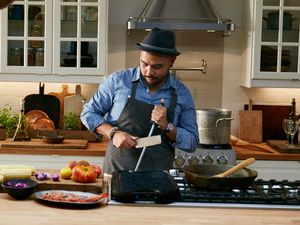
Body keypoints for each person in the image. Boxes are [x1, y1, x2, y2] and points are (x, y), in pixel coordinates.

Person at [80, 27, 199, 174]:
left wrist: (168, 127)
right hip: (117, 175)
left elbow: (192, 142)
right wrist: (113, 133)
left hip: (158, 183)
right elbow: (88, 113)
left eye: (157, 67)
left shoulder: (182, 93)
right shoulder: (118, 81)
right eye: (144, 64)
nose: (149, 71)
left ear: (172, 61)